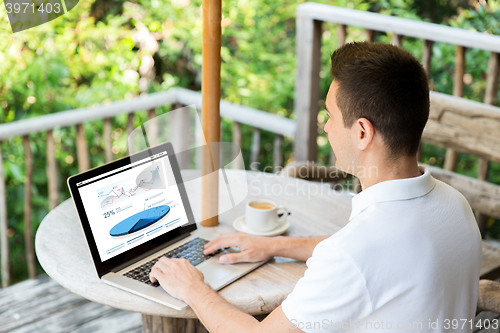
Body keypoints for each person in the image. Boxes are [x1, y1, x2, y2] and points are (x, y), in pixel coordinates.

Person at [149, 42, 482, 332]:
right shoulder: (454, 206)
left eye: (331, 116)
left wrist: (192, 287)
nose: (326, 127)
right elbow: (378, 257)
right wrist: (274, 246)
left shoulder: (356, 251)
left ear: (362, 132)